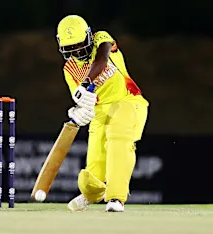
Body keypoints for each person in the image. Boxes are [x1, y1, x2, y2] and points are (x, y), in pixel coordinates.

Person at [56, 15, 149, 212]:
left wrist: (86, 82)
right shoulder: (69, 69)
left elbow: (102, 59)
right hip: (100, 112)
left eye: (80, 45)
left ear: (89, 37)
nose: (77, 51)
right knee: (95, 160)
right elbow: (79, 97)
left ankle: (116, 198)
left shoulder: (102, 39)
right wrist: (80, 110)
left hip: (127, 101)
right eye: (71, 48)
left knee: (118, 139)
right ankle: (91, 195)